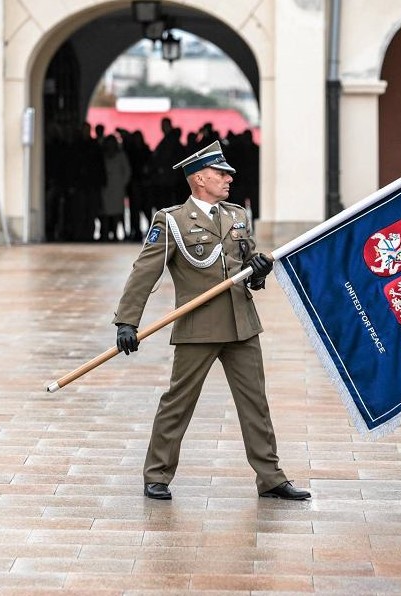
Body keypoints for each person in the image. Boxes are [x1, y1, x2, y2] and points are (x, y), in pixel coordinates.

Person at [112, 140, 310, 501]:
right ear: (200, 178)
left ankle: (270, 477)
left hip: (241, 324)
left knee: (255, 403)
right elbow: (145, 271)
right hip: (198, 326)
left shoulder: (236, 216)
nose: (229, 179)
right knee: (178, 402)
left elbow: (246, 269)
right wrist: (127, 321)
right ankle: (156, 474)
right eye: (222, 174)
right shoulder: (171, 221)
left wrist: (258, 272)